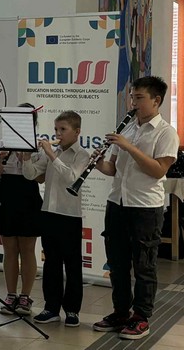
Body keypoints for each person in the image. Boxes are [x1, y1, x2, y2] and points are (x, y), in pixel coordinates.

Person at [92, 76, 179, 340]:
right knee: (117, 264)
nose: (133, 103)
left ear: (156, 100)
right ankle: (120, 312)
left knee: (144, 265)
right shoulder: (128, 128)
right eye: (132, 97)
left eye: (139, 98)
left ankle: (141, 317)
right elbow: (112, 169)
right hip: (117, 202)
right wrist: (98, 162)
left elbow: (158, 170)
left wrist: (129, 147)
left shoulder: (166, 132)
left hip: (145, 207)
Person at [21, 111, 90, 328]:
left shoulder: (82, 155)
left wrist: (51, 154)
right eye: (56, 129)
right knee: (51, 262)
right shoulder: (53, 152)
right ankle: (51, 307)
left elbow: (72, 177)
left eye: (63, 129)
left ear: (77, 132)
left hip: (69, 215)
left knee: (72, 264)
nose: (58, 134)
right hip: (49, 213)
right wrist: (26, 158)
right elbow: (31, 175)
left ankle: (72, 310)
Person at [0, 102, 43, 317]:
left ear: (33, 122)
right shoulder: (3, 143)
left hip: (28, 192)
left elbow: (40, 177)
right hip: (6, 191)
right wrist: (0, 161)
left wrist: (26, 158)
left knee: (27, 248)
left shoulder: (38, 144)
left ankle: (25, 296)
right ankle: (11, 294)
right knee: (9, 248)